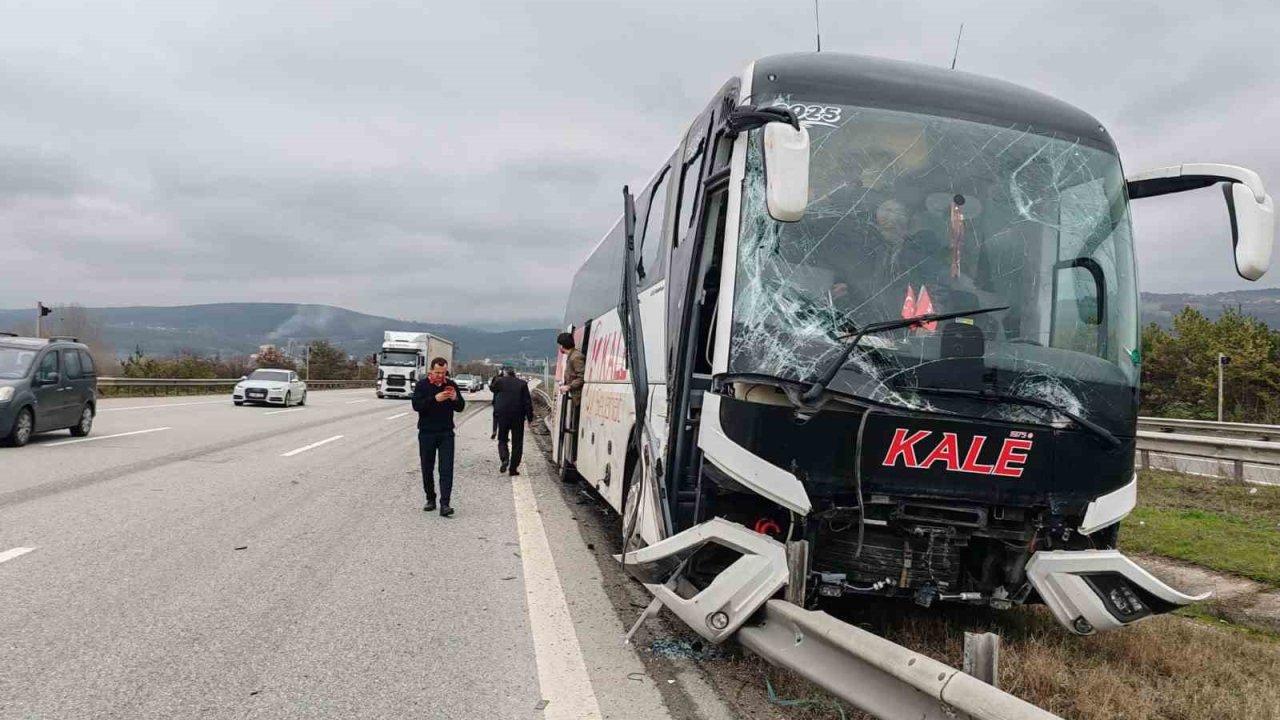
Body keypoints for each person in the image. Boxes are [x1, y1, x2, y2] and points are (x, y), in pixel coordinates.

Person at [411, 356, 465, 517]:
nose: (440, 376)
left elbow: (460, 407)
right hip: (427, 432)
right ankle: (430, 498)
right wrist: (434, 399)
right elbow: (416, 406)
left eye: (443, 372)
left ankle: (445, 504)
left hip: (446, 433)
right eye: (437, 372)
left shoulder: (451, 385)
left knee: (446, 469)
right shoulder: (422, 385)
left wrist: (454, 398)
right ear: (431, 371)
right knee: (427, 467)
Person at [491, 367, 534, 476]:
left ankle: (504, 458)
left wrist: (498, 377)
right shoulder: (522, 384)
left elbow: (492, 388)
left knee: (502, 439)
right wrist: (530, 419)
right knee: (517, 443)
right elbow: (527, 403)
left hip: (503, 415)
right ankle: (513, 468)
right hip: (518, 416)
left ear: (504, 373)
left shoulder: (500, 382)